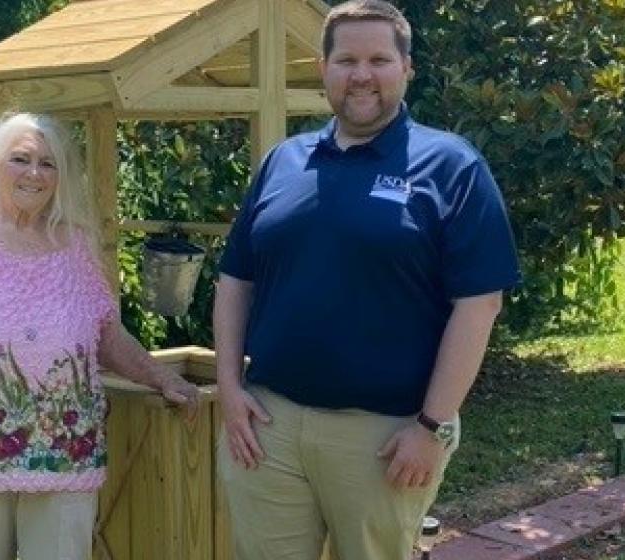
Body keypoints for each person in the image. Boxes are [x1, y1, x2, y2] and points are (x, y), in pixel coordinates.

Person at [213, 1, 521, 559]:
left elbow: (479, 305)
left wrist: (431, 426)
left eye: (379, 59)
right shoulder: (283, 161)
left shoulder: (452, 167)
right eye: (346, 59)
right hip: (268, 427)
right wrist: (230, 390)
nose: (362, 74)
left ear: (407, 68)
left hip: (384, 436)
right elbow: (235, 279)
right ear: (323, 68)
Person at [0, 112, 198, 560]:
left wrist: (162, 377)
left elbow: (108, 337)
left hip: (66, 456)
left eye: (49, 163)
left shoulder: (77, 247)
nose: (35, 173)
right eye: (21, 159)